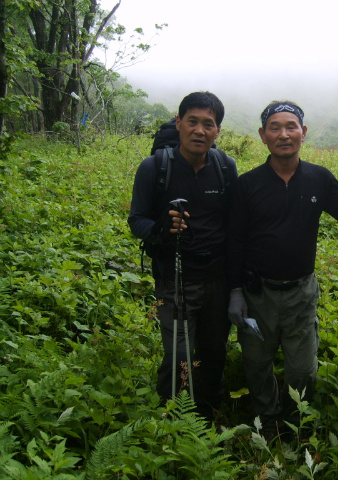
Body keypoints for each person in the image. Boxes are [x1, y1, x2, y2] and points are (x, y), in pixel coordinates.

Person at [227, 100, 338, 438]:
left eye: (291, 127)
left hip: (301, 293)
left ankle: (295, 424)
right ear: (263, 136)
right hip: (257, 294)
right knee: (257, 364)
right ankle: (268, 420)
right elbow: (234, 242)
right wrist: (234, 292)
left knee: (303, 369)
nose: (284, 134)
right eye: (275, 127)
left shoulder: (319, 178)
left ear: (303, 133)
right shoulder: (248, 185)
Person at [128, 91, 237, 420]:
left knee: (214, 350)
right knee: (179, 353)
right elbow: (137, 220)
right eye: (192, 121)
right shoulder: (154, 168)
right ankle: (172, 415)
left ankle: (208, 412)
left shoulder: (224, 167)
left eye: (209, 124)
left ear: (217, 131)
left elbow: (235, 222)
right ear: (178, 123)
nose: (199, 130)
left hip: (216, 277)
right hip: (174, 276)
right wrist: (161, 229)